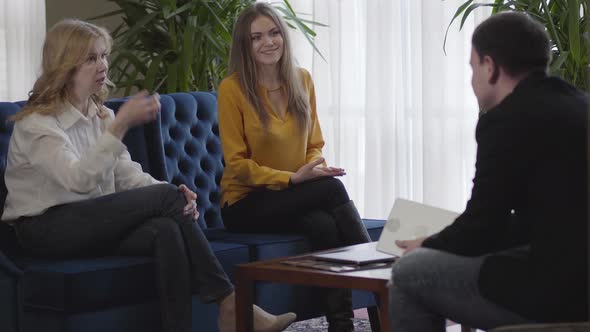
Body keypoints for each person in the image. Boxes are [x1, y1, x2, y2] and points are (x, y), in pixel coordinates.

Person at [0, 19, 296, 332]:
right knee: (168, 202)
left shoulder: (100, 115)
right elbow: (78, 181)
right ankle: (230, 305)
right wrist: (119, 128)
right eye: (91, 59)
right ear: (65, 66)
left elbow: (126, 174)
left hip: (90, 225)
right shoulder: (38, 123)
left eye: (103, 56)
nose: (102, 65)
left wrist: (174, 194)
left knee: (166, 229)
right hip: (44, 230)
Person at [389, 12, 588, 331]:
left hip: (558, 294)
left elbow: (484, 226)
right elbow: (541, 220)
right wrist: (439, 239)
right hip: (578, 276)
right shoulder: (579, 104)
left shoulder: (504, 119)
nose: (472, 79)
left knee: (409, 271)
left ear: (490, 66)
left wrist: (428, 245)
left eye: (472, 67)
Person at [217, 3, 372, 331]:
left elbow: (314, 143)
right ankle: (377, 270)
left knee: (322, 225)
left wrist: (313, 170)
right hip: (246, 202)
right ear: (245, 45)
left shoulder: (302, 79)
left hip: (295, 194)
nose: (267, 42)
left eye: (273, 33)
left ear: (283, 37)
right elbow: (237, 164)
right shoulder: (232, 89)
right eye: (256, 37)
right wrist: (292, 179)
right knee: (332, 190)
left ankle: (341, 324)